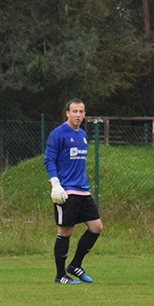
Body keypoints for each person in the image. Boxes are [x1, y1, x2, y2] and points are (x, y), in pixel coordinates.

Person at [44, 99, 103, 284]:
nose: (78, 115)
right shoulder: (58, 134)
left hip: (83, 191)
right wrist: (55, 184)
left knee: (96, 227)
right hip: (66, 191)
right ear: (67, 113)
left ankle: (75, 265)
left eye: (81, 111)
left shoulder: (83, 135)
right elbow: (49, 160)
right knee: (65, 231)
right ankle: (60, 275)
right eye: (75, 111)